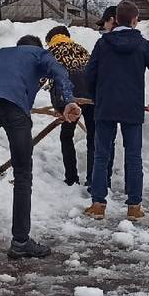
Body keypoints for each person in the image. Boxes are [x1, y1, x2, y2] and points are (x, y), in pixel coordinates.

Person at [0, 36, 81, 258]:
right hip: (12, 104)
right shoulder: (39, 54)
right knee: (22, 170)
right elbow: (60, 73)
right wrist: (68, 100)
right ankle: (21, 241)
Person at [85, 1, 149, 221]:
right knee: (133, 157)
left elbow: (89, 75)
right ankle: (134, 207)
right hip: (132, 107)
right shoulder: (142, 44)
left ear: (114, 20)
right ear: (134, 20)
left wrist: (96, 97)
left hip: (105, 106)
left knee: (102, 155)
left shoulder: (103, 44)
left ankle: (97, 205)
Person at [41, 26, 102, 187]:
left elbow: (49, 80)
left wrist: (58, 106)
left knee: (66, 136)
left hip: (70, 100)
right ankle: (93, 179)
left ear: (50, 40)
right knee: (93, 137)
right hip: (92, 97)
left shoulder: (51, 52)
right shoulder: (81, 49)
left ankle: (71, 178)